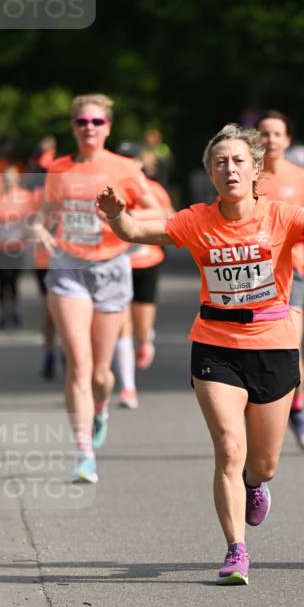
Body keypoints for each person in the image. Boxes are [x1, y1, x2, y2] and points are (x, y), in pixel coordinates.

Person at [97, 123, 304, 585]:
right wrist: (117, 216)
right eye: (220, 162)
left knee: (262, 463)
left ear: (256, 169)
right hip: (215, 345)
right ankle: (236, 549)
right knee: (228, 447)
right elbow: (139, 231)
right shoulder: (196, 219)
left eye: (239, 160)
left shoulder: (280, 215)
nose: (230, 168)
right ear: (210, 172)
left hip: (274, 346)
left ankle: (255, 486)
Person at [32, 93, 160, 483]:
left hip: (111, 268)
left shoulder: (124, 168)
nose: (89, 128)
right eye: (82, 122)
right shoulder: (58, 168)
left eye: (97, 122)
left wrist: (123, 216)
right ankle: (84, 451)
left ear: (108, 126)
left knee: (101, 374)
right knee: (79, 363)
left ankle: (100, 407)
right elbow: (45, 215)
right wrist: (38, 229)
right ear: (73, 127)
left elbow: (159, 211)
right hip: (68, 267)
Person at [256, 110, 304, 450]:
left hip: (291, 271)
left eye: (276, 134)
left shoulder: (300, 177)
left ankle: (298, 413)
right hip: (251, 274)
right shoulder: (246, 174)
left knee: (290, 348)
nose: (270, 140)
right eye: (264, 133)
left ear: (287, 140)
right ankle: (259, 417)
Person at [112, 141, 174, 409]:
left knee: (140, 327)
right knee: (121, 325)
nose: (127, 163)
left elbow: (169, 218)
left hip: (147, 262)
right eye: (121, 158)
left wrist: (131, 217)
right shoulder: (108, 189)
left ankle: (145, 339)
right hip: (117, 263)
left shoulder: (154, 190)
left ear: (140, 162)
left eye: (131, 158)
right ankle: (128, 388)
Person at [0, 165, 35, 327]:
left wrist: (29, 234)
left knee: (13, 281)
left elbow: (31, 220)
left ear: (17, 179)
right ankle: (2, 313)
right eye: (6, 178)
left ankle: (13, 310)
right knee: (1, 282)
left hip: (16, 246)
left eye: (12, 178)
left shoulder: (26, 197)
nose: (9, 181)